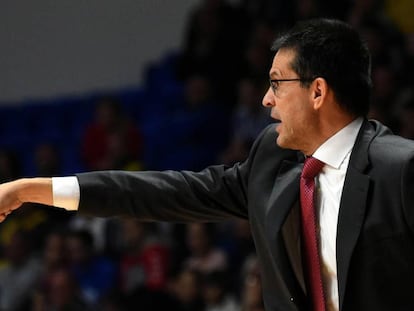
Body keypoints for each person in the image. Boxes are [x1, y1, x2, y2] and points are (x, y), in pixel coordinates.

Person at [0, 18, 413, 311]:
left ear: (317, 91)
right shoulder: (272, 158)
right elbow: (163, 193)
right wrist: (30, 189)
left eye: (276, 83)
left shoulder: (402, 169)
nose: (266, 100)